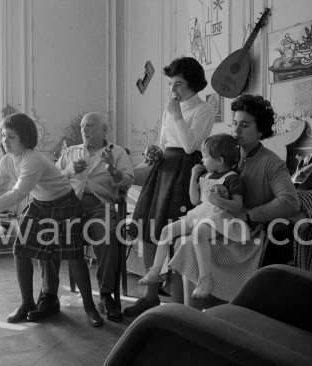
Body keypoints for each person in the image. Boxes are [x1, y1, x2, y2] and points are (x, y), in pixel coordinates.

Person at [0, 113, 103, 327]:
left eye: (11, 137)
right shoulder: (7, 161)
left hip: (65, 203)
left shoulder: (32, 160)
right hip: (40, 204)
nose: (4, 141)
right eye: (2, 136)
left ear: (25, 138)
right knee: (20, 250)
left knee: (74, 256)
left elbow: (16, 194)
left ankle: (90, 308)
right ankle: (27, 303)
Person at [169, 94, 301, 304]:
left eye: (245, 125)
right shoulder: (226, 155)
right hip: (217, 223)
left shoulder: (271, 163)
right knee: (181, 239)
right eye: (234, 123)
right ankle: (184, 316)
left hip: (245, 235)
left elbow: (290, 202)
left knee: (188, 244)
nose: (236, 130)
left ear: (260, 130)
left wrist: (250, 214)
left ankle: (200, 317)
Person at [124, 56, 215, 317]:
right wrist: (153, 150)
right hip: (164, 169)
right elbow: (164, 143)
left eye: (179, 85)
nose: (173, 91)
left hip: (186, 171)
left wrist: (176, 115)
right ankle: (150, 296)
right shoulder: (170, 108)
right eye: (171, 85)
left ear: (193, 84)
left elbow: (190, 146)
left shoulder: (203, 109)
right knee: (150, 231)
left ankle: (177, 307)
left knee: (174, 237)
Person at [139, 134, 250, 298]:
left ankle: (205, 280)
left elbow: (237, 205)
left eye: (205, 157)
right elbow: (194, 200)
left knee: (198, 234)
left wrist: (219, 200)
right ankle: (157, 271)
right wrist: (193, 178)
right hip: (201, 213)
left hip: (219, 217)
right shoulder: (206, 176)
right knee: (166, 231)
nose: (202, 160)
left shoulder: (232, 178)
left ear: (219, 160)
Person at [56, 112, 134, 322]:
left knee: (108, 235)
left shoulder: (116, 152)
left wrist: (113, 170)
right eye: (82, 126)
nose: (84, 130)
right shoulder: (71, 152)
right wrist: (69, 170)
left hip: (100, 206)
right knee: (50, 234)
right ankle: (48, 296)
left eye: (90, 126)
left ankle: (107, 296)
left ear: (104, 130)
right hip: (70, 207)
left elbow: (127, 182)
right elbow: (53, 179)